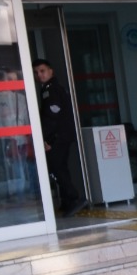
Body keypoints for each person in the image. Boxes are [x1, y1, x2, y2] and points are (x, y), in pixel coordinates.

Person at [31, 58, 86, 216]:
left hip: (58, 137)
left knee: (56, 167)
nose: (39, 75)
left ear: (50, 71)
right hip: (62, 135)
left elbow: (52, 116)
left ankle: (73, 198)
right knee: (60, 167)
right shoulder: (50, 88)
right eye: (36, 72)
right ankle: (67, 201)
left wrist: (47, 139)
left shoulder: (51, 89)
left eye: (42, 71)